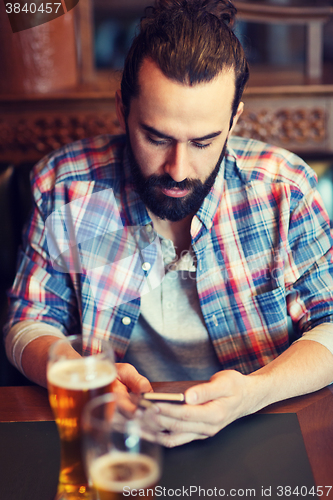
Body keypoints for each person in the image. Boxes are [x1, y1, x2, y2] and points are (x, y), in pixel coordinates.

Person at [3, 0, 333, 447]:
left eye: (203, 142)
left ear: (234, 119)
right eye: (156, 137)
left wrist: (255, 392)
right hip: (109, 435)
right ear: (123, 109)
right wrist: (74, 374)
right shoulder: (66, 184)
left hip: (258, 429)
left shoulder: (285, 189)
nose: (178, 170)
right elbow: (27, 322)